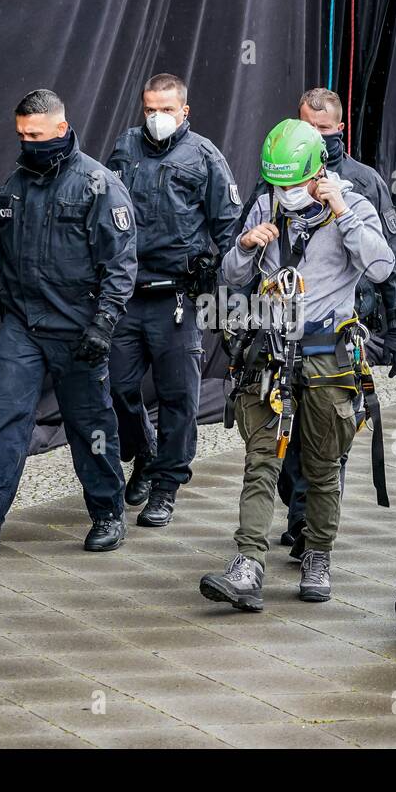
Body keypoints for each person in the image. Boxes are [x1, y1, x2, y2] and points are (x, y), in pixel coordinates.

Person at [198, 120, 393, 611]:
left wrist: (342, 211)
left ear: (317, 172)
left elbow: (381, 267)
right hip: (270, 354)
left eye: (292, 184)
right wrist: (245, 248)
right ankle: (247, 565)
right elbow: (231, 274)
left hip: (327, 356)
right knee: (261, 460)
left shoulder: (352, 205)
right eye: (276, 185)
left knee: (323, 466)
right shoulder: (265, 206)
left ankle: (318, 555)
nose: (284, 194)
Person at [0, 89, 136, 558]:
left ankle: (108, 513)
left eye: (35, 134)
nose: (27, 142)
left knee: (90, 423)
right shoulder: (12, 186)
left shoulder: (99, 184)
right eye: (20, 135)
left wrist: (104, 325)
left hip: (77, 328)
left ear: (59, 126)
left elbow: (120, 264)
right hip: (22, 324)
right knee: (0, 422)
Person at [264, 88, 396, 558]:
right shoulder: (282, 174)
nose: (319, 138)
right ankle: (299, 509)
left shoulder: (363, 182)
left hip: (349, 324)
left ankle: (312, 532)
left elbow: (392, 254)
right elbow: (262, 253)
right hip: (288, 331)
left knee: (331, 441)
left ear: (341, 129)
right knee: (288, 442)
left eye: (327, 130)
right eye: (311, 128)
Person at [106, 73, 240, 527]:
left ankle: (166, 485)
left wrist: (228, 288)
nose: (157, 117)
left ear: (185, 111)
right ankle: (144, 455)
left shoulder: (204, 156)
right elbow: (103, 209)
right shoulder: (125, 147)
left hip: (178, 297)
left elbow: (229, 228)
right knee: (117, 386)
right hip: (127, 292)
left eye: (166, 109)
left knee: (178, 396)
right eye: (149, 109)